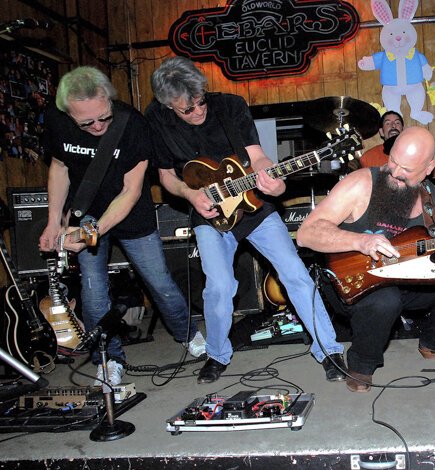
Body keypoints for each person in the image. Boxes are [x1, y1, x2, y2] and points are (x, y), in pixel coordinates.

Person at [145, 57, 346, 385]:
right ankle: (217, 354)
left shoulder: (230, 107)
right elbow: (166, 175)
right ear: (168, 106)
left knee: (295, 273)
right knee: (219, 287)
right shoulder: (156, 119)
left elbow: (258, 158)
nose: (198, 111)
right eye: (187, 109)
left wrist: (274, 180)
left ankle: (329, 350)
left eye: (200, 102)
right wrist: (190, 194)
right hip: (207, 210)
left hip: (254, 206)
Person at [296, 127, 435, 392]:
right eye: (393, 161)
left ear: (429, 168)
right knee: (385, 299)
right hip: (352, 281)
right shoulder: (361, 183)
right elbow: (306, 234)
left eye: (407, 170)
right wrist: (361, 241)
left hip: (406, 280)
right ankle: (361, 365)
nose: (394, 172)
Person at [39, 66, 203, 386]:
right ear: (67, 113)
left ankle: (187, 333)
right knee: (94, 293)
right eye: (86, 123)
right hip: (84, 212)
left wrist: (91, 233)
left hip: (131, 214)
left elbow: (131, 191)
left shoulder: (132, 125)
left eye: (104, 116)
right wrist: (53, 223)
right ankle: (109, 358)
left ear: (109, 99)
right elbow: (59, 169)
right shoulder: (57, 122)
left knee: (160, 284)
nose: (98, 126)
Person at [357, 110, 435, 176]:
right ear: (381, 132)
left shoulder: (418, 153)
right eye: (388, 123)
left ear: (403, 129)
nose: (393, 126)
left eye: (397, 123)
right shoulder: (368, 157)